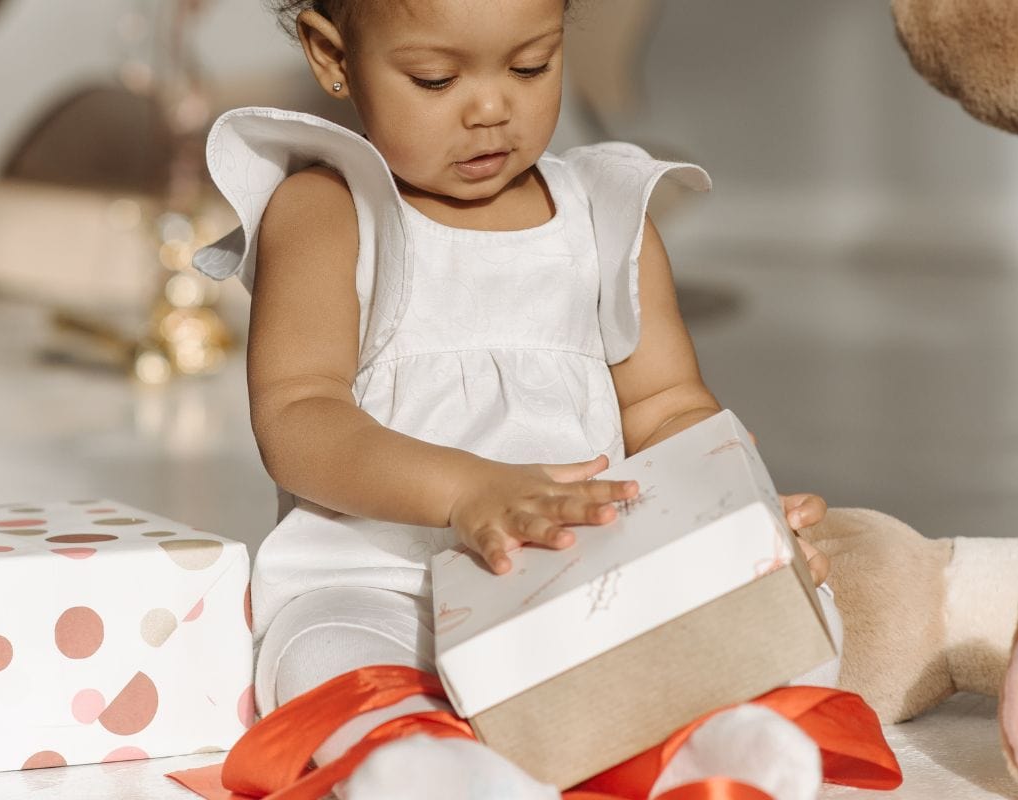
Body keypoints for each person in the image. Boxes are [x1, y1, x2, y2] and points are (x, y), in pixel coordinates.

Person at [192, 0, 838, 797]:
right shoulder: (328, 213)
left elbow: (669, 405)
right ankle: (420, 760)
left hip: (576, 583)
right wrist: (468, 490)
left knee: (769, 623)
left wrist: (736, 512)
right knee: (320, 654)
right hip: (382, 584)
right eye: (436, 78)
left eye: (530, 65)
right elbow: (298, 418)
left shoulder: (604, 218)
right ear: (334, 57)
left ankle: (691, 748)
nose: (493, 108)